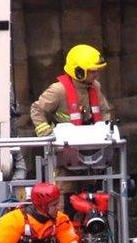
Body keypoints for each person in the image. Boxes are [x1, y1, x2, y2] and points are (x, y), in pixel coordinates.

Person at [30, 44, 112, 199]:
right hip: (64, 155)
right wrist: (47, 135)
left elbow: (104, 111)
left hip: (91, 153)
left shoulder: (95, 88)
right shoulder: (58, 90)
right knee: (63, 194)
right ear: (79, 71)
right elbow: (37, 110)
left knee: (91, 195)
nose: (96, 74)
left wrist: (107, 132)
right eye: (92, 71)